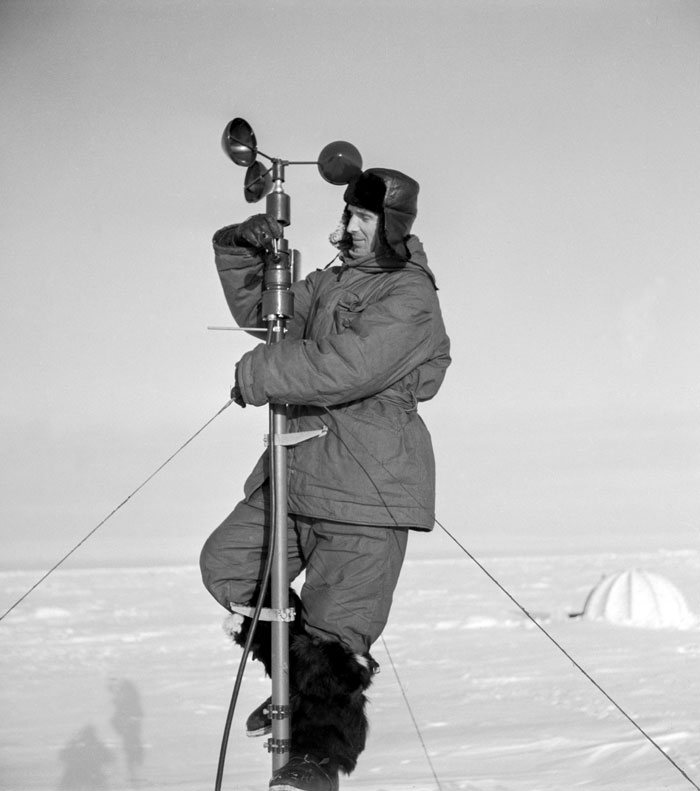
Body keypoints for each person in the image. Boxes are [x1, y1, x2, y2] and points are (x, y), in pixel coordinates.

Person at [200, 167, 451, 791]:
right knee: (228, 565)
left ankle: (315, 759)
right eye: (348, 215)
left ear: (392, 226)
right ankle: (297, 683)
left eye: (364, 219)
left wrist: (261, 375)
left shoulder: (409, 295)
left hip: (368, 491)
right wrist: (245, 250)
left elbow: (348, 366)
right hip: (297, 471)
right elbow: (271, 316)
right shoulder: (331, 281)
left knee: (337, 639)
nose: (351, 227)